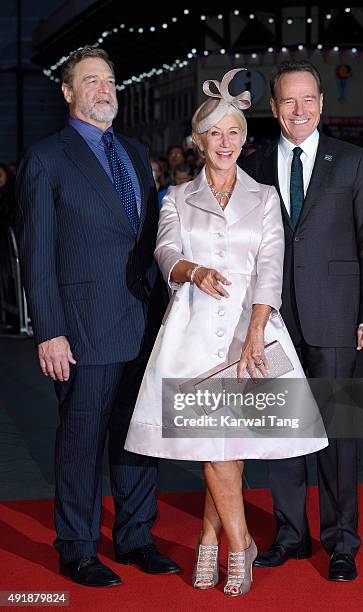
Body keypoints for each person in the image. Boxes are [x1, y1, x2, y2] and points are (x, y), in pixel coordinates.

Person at [125, 68, 327, 597]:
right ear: (197, 141)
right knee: (214, 448)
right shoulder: (174, 197)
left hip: (249, 331)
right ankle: (242, 546)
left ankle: (210, 536)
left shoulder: (262, 199)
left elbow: (271, 268)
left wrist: (258, 329)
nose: (225, 142)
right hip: (192, 332)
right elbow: (165, 252)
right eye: (214, 133)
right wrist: (194, 272)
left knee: (229, 449)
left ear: (244, 137)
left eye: (233, 132)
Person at [15, 46, 180, 587]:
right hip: (82, 331)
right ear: (68, 92)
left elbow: (152, 240)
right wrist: (51, 332)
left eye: (109, 80)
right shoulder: (46, 159)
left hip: (143, 326)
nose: (104, 89)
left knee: (138, 440)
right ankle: (78, 547)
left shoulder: (134, 153)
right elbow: (37, 256)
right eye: (91, 81)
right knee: (81, 444)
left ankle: (135, 538)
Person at [240, 60, 363, 582]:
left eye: (308, 100)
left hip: (335, 316)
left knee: (337, 433)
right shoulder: (254, 166)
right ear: (274, 108)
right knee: (283, 431)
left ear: (322, 103)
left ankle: (341, 540)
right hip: (276, 318)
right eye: (287, 101)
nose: (298, 110)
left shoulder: (350, 162)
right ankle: (290, 534)